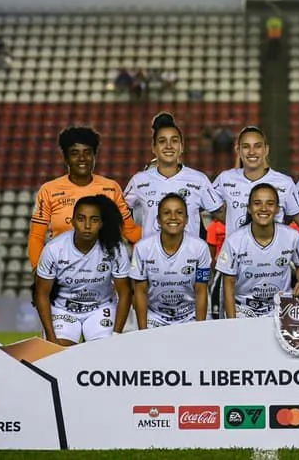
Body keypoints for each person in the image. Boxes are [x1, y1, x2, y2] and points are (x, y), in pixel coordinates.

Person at [29, 126, 142, 272]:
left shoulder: (111, 188)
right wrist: (38, 270)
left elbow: (131, 232)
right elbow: (36, 236)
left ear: (94, 156)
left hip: (104, 274)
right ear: (66, 158)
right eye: (75, 153)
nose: (82, 158)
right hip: (63, 272)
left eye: (87, 152)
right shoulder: (49, 190)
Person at [33, 195, 133, 346]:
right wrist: (51, 339)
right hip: (63, 309)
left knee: (102, 351)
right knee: (59, 351)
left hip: (101, 308)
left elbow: (125, 292)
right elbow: (41, 294)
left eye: (94, 220)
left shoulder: (115, 248)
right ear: (72, 221)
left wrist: (116, 334)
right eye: (81, 219)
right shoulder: (54, 249)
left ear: (101, 223)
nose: (87, 225)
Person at [124, 112, 223, 239]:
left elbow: (220, 213)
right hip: (151, 256)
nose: (169, 146)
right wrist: (133, 236)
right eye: (162, 141)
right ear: (153, 147)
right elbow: (120, 210)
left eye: (174, 141)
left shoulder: (199, 180)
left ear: (181, 146)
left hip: (189, 256)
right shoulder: (139, 180)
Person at [219, 183, 299, 319]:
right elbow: (228, 284)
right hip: (244, 309)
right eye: (257, 203)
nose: (264, 208)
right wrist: (232, 322)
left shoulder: (292, 236)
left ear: (278, 209)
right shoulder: (234, 241)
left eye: (270, 203)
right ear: (249, 208)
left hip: (281, 307)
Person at [129, 194, 210, 329]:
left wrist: (199, 329)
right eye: (167, 213)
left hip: (190, 316)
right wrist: (143, 331)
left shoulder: (200, 248)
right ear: (158, 220)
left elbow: (200, 291)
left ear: (186, 219)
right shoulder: (142, 248)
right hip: (154, 317)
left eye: (179, 213)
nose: (173, 217)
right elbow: (140, 292)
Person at [213, 125, 299, 236]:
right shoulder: (225, 178)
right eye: (246, 147)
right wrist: (230, 221)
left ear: (266, 150)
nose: (252, 152)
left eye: (257, 146)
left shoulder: (285, 183)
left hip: (273, 251)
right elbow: (207, 204)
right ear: (238, 150)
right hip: (236, 251)